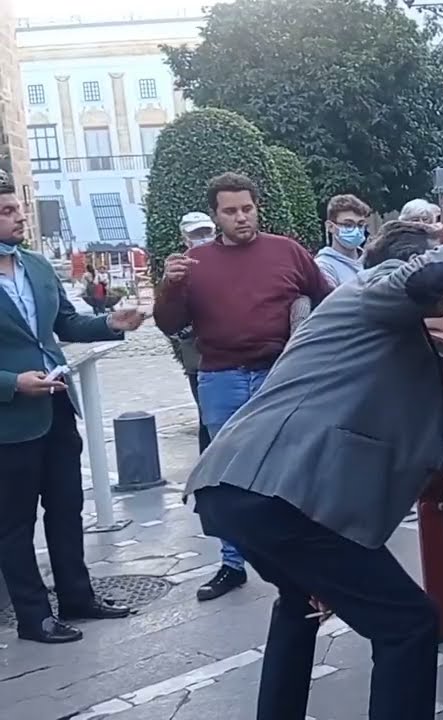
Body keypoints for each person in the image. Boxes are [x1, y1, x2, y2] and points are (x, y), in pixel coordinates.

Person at [184, 201, 443, 720]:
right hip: (279, 495)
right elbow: (424, 274)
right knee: (408, 623)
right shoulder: (370, 289)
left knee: (299, 603)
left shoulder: (382, 336)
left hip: (238, 488)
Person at [154, 172, 331, 603]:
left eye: (247, 208)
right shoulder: (196, 263)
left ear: (257, 208)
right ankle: (232, 564)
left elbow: (326, 299)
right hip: (221, 377)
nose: (241, 217)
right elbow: (169, 323)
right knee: (226, 477)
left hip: (280, 374)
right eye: (230, 211)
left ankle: (299, 558)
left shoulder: (287, 251)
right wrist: (169, 286)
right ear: (215, 216)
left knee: (289, 465)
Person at [0, 180, 147, 644]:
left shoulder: (38, 267)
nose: (20, 216)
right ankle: (33, 615)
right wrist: (12, 384)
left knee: (66, 507)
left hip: (59, 406)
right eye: (7, 211)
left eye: (18, 208)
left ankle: (77, 596)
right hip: (11, 421)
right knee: (14, 523)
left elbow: (64, 323)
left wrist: (109, 323)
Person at [168, 211, 218, 454]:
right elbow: (170, 318)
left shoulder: (224, 261)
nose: (202, 238)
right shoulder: (178, 269)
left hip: (233, 356)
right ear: (184, 237)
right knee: (207, 420)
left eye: (206, 232)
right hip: (199, 359)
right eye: (196, 234)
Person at [315, 194, 372, 288]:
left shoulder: (370, 259)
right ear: (330, 227)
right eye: (348, 225)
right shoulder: (324, 267)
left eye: (360, 225)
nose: (356, 230)